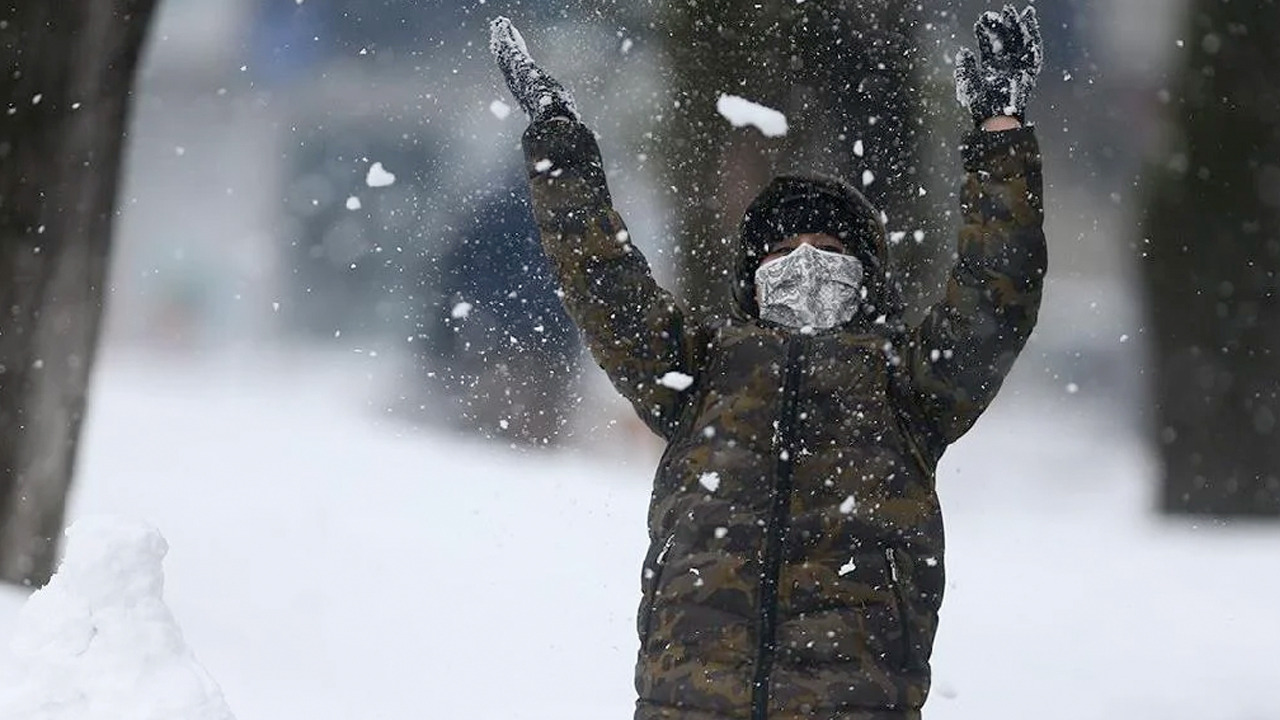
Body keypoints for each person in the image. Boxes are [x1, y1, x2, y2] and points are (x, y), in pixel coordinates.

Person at [490, 5, 1045, 718]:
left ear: (868, 276)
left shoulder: (908, 387)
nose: (805, 263)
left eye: (829, 248)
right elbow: (605, 284)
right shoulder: (699, 373)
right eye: (782, 251)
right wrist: (558, 143)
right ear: (751, 278)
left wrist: (1000, 134)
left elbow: (996, 296)